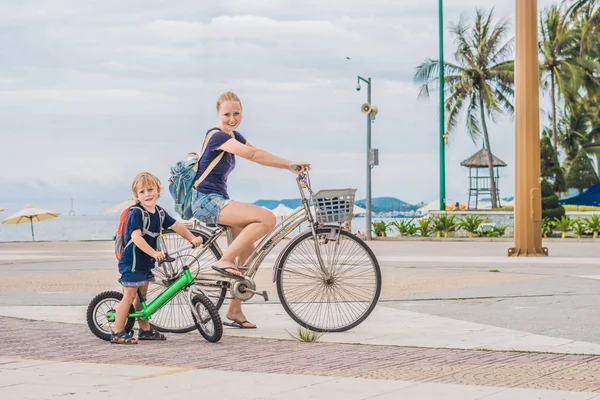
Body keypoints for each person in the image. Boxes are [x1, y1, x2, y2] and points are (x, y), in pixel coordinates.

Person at [192, 91, 310, 329]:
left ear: (242, 113)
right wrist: (288, 164)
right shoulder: (216, 136)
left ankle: (234, 310)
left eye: (236, 113)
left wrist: (288, 165)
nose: (232, 118)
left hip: (219, 199)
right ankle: (224, 260)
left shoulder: (234, 135)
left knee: (247, 253)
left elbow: (259, 154)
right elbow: (254, 155)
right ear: (218, 114)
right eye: (227, 114)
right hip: (206, 201)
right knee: (266, 218)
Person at [112, 172, 204, 344]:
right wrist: (154, 253)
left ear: (158, 191)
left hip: (146, 262)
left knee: (142, 297)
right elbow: (137, 238)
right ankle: (117, 332)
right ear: (136, 196)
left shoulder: (159, 213)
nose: (147, 194)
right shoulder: (137, 213)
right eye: (142, 192)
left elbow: (176, 225)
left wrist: (191, 238)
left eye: (150, 190)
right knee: (129, 296)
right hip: (132, 262)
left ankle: (145, 330)